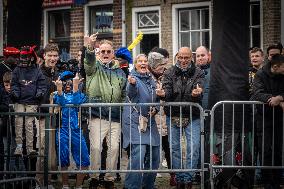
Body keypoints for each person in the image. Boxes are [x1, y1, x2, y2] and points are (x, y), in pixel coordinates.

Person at [156, 47, 205, 189]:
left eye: (186, 58)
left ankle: (188, 179)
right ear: (177, 56)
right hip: (173, 115)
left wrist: (197, 94)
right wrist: (163, 93)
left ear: (191, 58)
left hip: (193, 115)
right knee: (174, 149)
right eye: (181, 57)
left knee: (193, 147)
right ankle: (178, 179)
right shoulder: (170, 72)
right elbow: (168, 91)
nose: (183, 61)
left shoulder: (199, 72)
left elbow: (199, 88)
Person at [84, 33, 127, 189]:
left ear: (113, 53)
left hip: (115, 116)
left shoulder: (120, 72)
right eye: (102, 51)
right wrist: (90, 47)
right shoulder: (93, 68)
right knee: (95, 147)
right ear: (98, 52)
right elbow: (88, 61)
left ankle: (109, 177)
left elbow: (124, 93)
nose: (106, 54)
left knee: (114, 148)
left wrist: (121, 107)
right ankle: (94, 177)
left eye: (108, 51)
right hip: (97, 114)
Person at [122, 54, 160, 189]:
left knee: (155, 154)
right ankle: (131, 186)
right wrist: (131, 84)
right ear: (136, 64)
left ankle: (148, 185)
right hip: (134, 121)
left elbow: (156, 99)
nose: (143, 63)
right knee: (139, 151)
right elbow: (131, 91)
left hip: (149, 122)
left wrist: (156, 108)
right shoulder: (133, 78)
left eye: (145, 61)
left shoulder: (152, 80)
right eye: (140, 61)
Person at [250, 54, 284, 189]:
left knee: (278, 149)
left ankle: (277, 181)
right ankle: (267, 182)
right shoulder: (260, 74)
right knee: (265, 150)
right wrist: (274, 99)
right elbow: (257, 93)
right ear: (275, 67)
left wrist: (280, 98)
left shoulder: (282, 74)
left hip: (279, 118)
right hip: (263, 117)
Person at [53, 71, 90, 189]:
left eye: (71, 81)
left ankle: (79, 185)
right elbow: (60, 102)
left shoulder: (80, 94)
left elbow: (76, 102)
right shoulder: (56, 94)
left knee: (84, 157)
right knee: (63, 157)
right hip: (62, 129)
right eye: (65, 81)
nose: (67, 83)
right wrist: (59, 90)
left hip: (76, 129)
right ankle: (65, 185)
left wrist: (75, 87)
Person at [147, 50, 177, 186]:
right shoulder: (147, 77)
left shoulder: (167, 75)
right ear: (153, 66)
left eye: (163, 65)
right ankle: (150, 176)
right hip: (152, 118)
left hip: (165, 116)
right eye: (159, 65)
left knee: (168, 146)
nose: (162, 68)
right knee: (152, 148)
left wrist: (165, 93)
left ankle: (173, 174)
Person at [11, 46, 47, 156]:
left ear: (31, 58)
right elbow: (14, 84)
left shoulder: (37, 71)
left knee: (29, 124)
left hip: (32, 101)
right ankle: (19, 147)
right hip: (19, 101)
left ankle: (30, 148)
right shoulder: (17, 70)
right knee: (18, 123)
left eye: (26, 57)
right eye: (22, 57)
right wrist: (15, 93)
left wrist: (39, 93)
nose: (23, 59)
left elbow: (42, 84)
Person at [36, 42, 60, 186]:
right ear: (44, 56)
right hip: (42, 116)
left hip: (55, 117)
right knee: (42, 149)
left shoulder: (58, 73)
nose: (53, 58)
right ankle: (39, 181)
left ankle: (49, 180)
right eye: (50, 55)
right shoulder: (38, 72)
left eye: (55, 55)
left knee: (52, 151)